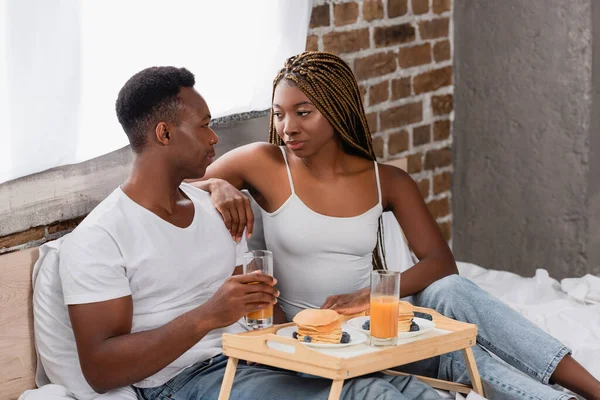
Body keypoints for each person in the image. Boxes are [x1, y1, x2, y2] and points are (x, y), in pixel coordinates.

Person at [197, 51, 600, 400]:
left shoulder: (386, 180)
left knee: (452, 295)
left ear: (338, 110)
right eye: (280, 114)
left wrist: (365, 297)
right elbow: (174, 192)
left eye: (304, 112)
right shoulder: (262, 163)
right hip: (312, 343)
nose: (289, 128)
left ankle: (590, 389)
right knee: (459, 358)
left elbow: (441, 263)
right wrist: (216, 183)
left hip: (377, 328)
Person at [54, 65, 444, 400]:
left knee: (414, 391)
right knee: (369, 395)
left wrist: (313, 343)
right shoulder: (100, 238)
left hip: (266, 354)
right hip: (187, 380)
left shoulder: (219, 210)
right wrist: (207, 316)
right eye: (204, 126)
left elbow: (263, 304)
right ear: (164, 134)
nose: (214, 138)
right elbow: (101, 371)